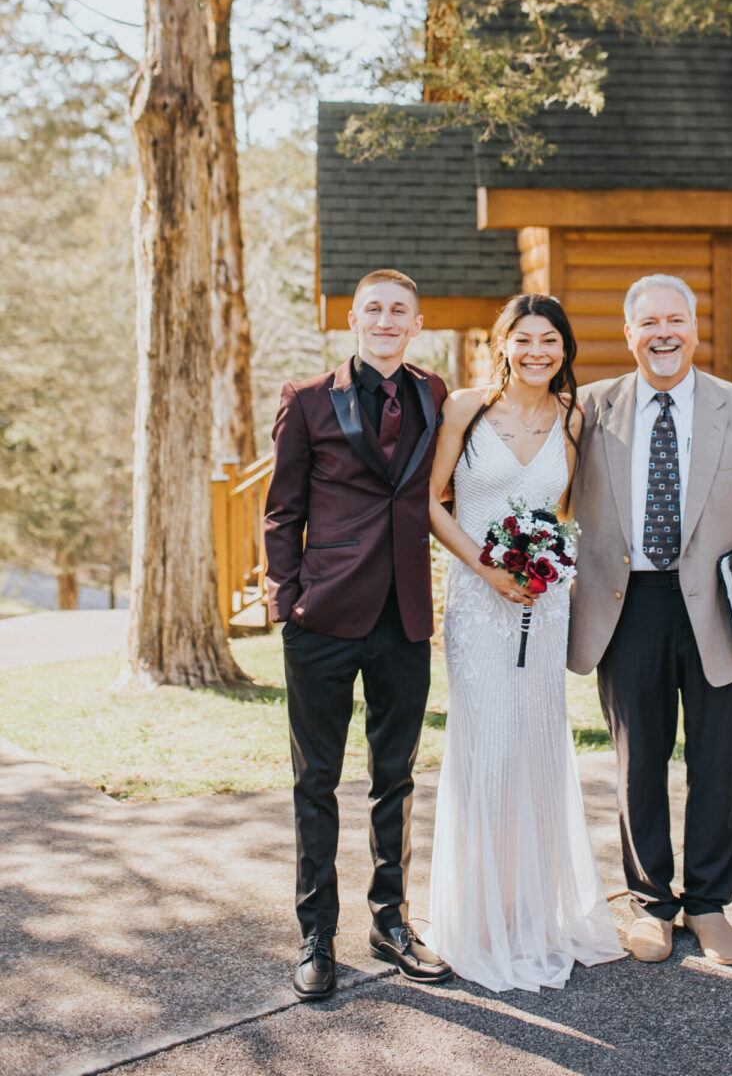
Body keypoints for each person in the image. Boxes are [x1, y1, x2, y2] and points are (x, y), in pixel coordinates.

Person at [570, 274, 732, 967]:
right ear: (629, 334)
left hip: (722, 604)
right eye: (648, 323)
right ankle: (651, 904)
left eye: (675, 320)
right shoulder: (590, 408)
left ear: (696, 329)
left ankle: (708, 905)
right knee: (638, 759)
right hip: (627, 606)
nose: (663, 333)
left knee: (716, 760)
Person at [263, 268, 454, 999]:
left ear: (417, 322)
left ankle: (391, 922)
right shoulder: (307, 400)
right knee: (316, 780)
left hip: (404, 617)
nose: (385, 318)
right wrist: (287, 603)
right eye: (373, 308)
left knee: (395, 778)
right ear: (352, 319)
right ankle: (316, 933)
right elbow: (283, 510)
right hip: (325, 618)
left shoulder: (434, 393)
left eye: (398, 310)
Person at [427, 294, 624, 992]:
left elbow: (575, 507)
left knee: (536, 742)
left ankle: (529, 911)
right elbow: (431, 499)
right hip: (478, 603)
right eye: (525, 339)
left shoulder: (574, 419)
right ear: (502, 342)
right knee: (488, 742)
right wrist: (486, 568)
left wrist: (547, 563)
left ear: (565, 349)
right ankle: (474, 919)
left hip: (543, 604)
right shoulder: (464, 408)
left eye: (552, 341)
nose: (538, 352)